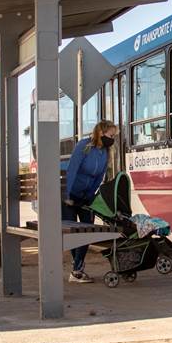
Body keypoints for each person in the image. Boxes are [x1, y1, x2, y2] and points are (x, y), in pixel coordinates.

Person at [63, 119, 118, 283]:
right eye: (111, 134)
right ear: (101, 132)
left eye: (114, 135)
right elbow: (72, 170)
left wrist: (90, 195)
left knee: (88, 232)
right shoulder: (84, 146)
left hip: (85, 196)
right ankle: (77, 270)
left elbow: (99, 177)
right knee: (73, 234)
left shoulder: (105, 152)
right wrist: (67, 196)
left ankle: (76, 269)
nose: (112, 138)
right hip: (70, 195)